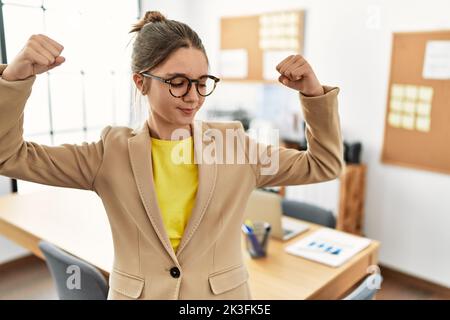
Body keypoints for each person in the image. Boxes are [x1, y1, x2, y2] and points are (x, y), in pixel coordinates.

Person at [0, 11, 344, 300]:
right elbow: (9, 157)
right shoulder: (109, 153)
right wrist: (15, 80)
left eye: (201, 81)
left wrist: (313, 95)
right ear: (140, 82)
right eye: (177, 81)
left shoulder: (234, 147)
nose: (192, 96)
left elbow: (324, 164)